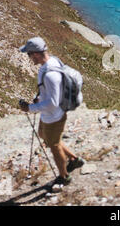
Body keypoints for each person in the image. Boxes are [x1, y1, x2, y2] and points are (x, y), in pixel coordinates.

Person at [19, 37, 84, 185]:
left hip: (54, 116)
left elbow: (54, 103)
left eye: (29, 54)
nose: (29, 58)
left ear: (35, 54)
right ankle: (74, 159)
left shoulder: (50, 74)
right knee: (44, 136)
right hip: (48, 115)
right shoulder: (52, 61)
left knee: (54, 146)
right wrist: (40, 98)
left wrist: (30, 108)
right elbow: (51, 93)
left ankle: (64, 176)